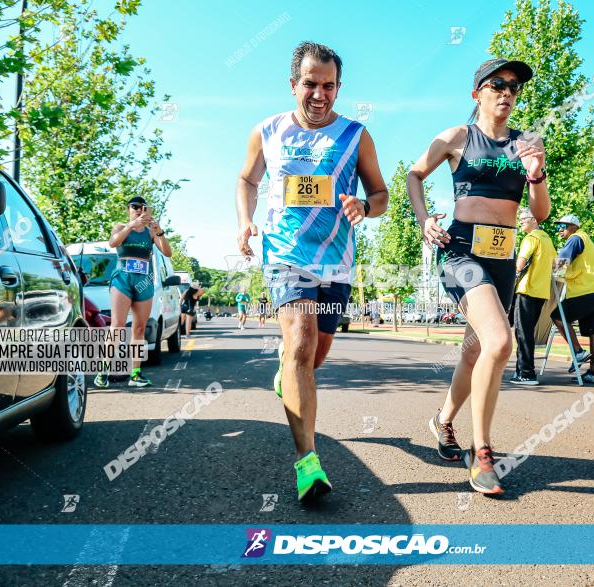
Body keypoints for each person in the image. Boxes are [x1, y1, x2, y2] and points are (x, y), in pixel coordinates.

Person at [235, 41, 388, 502]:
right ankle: (308, 464)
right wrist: (245, 221)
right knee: (299, 344)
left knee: (313, 357)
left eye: (329, 85)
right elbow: (247, 179)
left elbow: (380, 194)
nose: (319, 94)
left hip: (336, 261)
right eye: (310, 84)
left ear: (339, 88)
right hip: (285, 255)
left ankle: (288, 376)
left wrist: (365, 205)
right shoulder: (267, 131)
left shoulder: (356, 135)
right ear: (293, 84)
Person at [408, 58, 550, 494]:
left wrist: (536, 173)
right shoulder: (457, 137)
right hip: (461, 250)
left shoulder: (527, 142)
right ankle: (482, 452)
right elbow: (414, 174)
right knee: (500, 341)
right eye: (497, 85)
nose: (507, 93)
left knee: (476, 346)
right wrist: (422, 219)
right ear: (478, 93)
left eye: (514, 87)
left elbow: (540, 214)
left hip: (503, 256)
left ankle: (443, 421)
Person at [94, 196, 172, 389]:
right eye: (135, 207)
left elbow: (167, 252)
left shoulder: (151, 232)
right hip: (123, 279)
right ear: (129, 209)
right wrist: (131, 226)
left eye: (143, 207)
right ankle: (103, 371)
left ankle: (135, 374)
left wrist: (158, 230)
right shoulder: (120, 226)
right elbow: (113, 243)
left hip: (144, 280)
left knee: (139, 328)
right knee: (118, 325)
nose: (139, 210)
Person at [550, 214, 594, 384]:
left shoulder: (575, 238)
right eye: (558, 227)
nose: (559, 230)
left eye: (562, 226)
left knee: (557, 315)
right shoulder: (584, 239)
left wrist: (551, 273)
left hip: (590, 289)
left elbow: (562, 261)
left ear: (573, 227)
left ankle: (578, 352)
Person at [511, 208, 557, 385]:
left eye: (523, 219)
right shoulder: (547, 239)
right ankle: (520, 371)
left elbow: (520, 264)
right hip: (541, 293)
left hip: (526, 290)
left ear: (534, 220)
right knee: (526, 332)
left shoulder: (531, 238)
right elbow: (557, 266)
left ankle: (527, 373)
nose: (520, 221)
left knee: (523, 333)